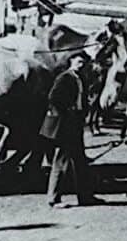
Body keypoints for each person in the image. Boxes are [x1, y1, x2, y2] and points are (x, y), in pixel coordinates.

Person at [42, 53, 100, 207]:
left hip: (75, 124)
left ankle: (85, 196)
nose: (82, 64)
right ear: (71, 61)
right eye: (79, 61)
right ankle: (53, 199)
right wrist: (68, 112)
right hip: (65, 124)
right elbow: (53, 98)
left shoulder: (80, 78)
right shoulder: (65, 78)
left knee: (80, 161)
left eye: (84, 62)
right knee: (61, 160)